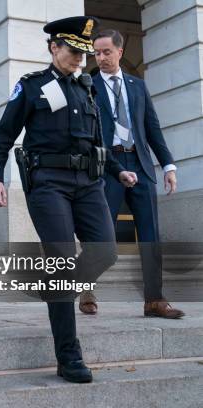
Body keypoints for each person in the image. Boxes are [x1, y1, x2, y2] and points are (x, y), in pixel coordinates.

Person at [0, 17, 138, 383]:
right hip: (48, 184)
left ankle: (56, 285)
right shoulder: (31, 87)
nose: (80, 59)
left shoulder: (87, 88)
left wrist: (117, 169)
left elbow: (98, 141)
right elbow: (3, 136)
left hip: (88, 184)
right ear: (54, 48)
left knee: (105, 252)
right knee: (60, 258)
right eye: (73, 51)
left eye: (85, 53)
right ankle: (68, 357)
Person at [79, 29, 184, 318]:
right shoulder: (87, 85)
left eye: (106, 52)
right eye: (96, 53)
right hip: (106, 168)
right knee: (101, 234)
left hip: (140, 163)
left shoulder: (137, 86)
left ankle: (154, 300)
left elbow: (152, 128)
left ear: (120, 51)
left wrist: (169, 165)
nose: (100, 58)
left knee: (150, 234)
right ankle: (87, 288)